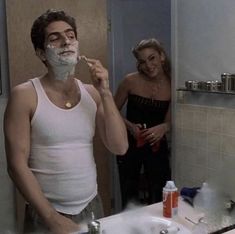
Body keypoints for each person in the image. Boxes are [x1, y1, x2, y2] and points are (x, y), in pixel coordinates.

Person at [4, 9, 128, 234]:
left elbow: (120, 147)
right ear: (42, 53)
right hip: (46, 213)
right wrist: (51, 218)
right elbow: (16, 164)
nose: (66, 41)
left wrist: (106, 92)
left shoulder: (93, 94)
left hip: (91, 207)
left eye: (70, 35)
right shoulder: (25, 95)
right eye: (55, 38)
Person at [114, 38, 171, 209]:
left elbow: (170, 119)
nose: (148, 65)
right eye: (142, 61)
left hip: (157, 146)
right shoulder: (130, 81)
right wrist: (130, 126)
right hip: (129, 145)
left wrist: (165, 127)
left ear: (161, 56)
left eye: (152, 58)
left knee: (161, 193)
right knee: (129, 194)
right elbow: (110, 111)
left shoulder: (173, 83)